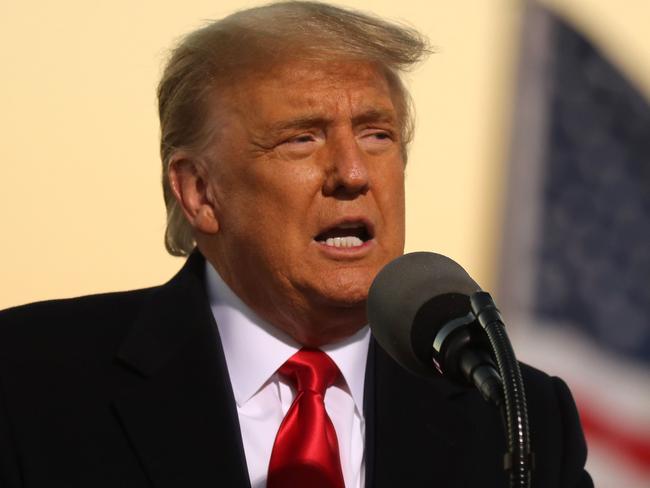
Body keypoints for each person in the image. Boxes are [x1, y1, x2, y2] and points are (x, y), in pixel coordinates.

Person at [0, 2, 592, 487]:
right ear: (200, 192)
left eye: (377, 134)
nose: (353, 173)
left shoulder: (518, 417)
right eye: (302, 138)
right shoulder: (29, 380)